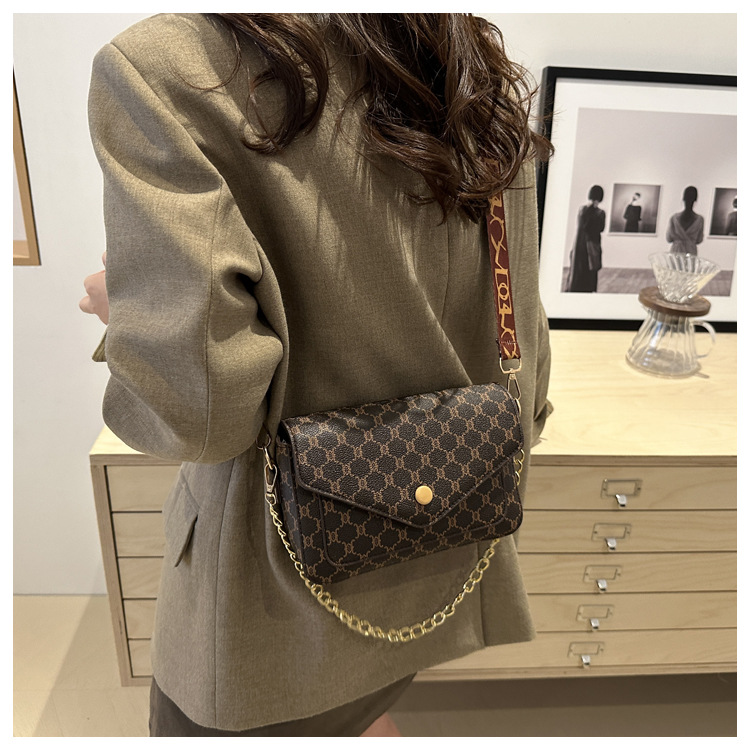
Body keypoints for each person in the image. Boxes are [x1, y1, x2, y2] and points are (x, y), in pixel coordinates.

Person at [80, 13, 552, 737]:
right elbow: (528, 378)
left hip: (272, 600)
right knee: (364, 716)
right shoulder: (465, 61)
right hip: (440, 561)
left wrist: (127, 313)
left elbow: (201, 414)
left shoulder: (170, 68)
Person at [564, 185, 606, 293]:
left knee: (580, 268)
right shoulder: (599, 213)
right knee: (589, 268)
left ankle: (576, 288)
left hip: (581, 245)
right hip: (590, 245)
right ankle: (587, 289)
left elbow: (586, 226)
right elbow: (599, 228)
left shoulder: (582, 210)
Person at [666, 186, 704, 254]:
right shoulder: (700, 220)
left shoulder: (674, 218)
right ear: (695, 200)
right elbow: (699, 240)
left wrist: (679, 239)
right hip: (691, 251)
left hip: (676, 251)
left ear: (683, 199)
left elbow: (669, 238)